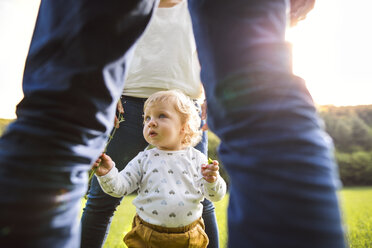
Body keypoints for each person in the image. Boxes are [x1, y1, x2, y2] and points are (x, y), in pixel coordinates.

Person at [0, 0, 346, 247]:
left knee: (58, 122)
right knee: (265, 112)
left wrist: (204, 96)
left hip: (186, 107)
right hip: (131, 106)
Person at [80, 0, 221, 247]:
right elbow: (104, 44)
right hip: (130, 104)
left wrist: (214, 90)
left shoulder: (198, 7)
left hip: (185, 107)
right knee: (101, 198)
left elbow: (213, 48)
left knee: (202, 197)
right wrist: (107, 90)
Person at [92, 90, 226, 248]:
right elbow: (120, 188)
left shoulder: (197, 159)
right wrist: (107, 173)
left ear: (184, 126)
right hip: (146, 236)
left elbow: (215, 196)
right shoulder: (143, 159)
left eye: (161, 116)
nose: (151, 122)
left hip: (189, 237)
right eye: (147, 118)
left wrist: (212, 180)